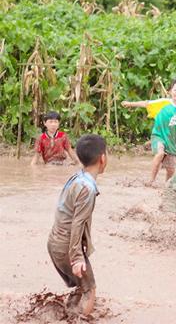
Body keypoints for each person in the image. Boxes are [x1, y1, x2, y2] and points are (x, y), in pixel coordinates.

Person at [47, 134, 107, 315]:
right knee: (90, 289)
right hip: (66, 247)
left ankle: (69, 315)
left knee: (81, 287)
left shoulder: (78, 177)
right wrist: (77, 257)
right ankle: (79, 318)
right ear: (103, 159)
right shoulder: (87, 189)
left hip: (54, 243)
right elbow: (77, 225)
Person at [121, 79, 176, 186]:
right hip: (159, 136)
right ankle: (151, 180)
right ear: (170, 91)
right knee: (160, 153)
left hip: (172, 143)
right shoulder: (163, 103)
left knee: (171, 170)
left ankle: (166, 187)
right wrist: (130, 104)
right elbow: (146, 104)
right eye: (175, 90)